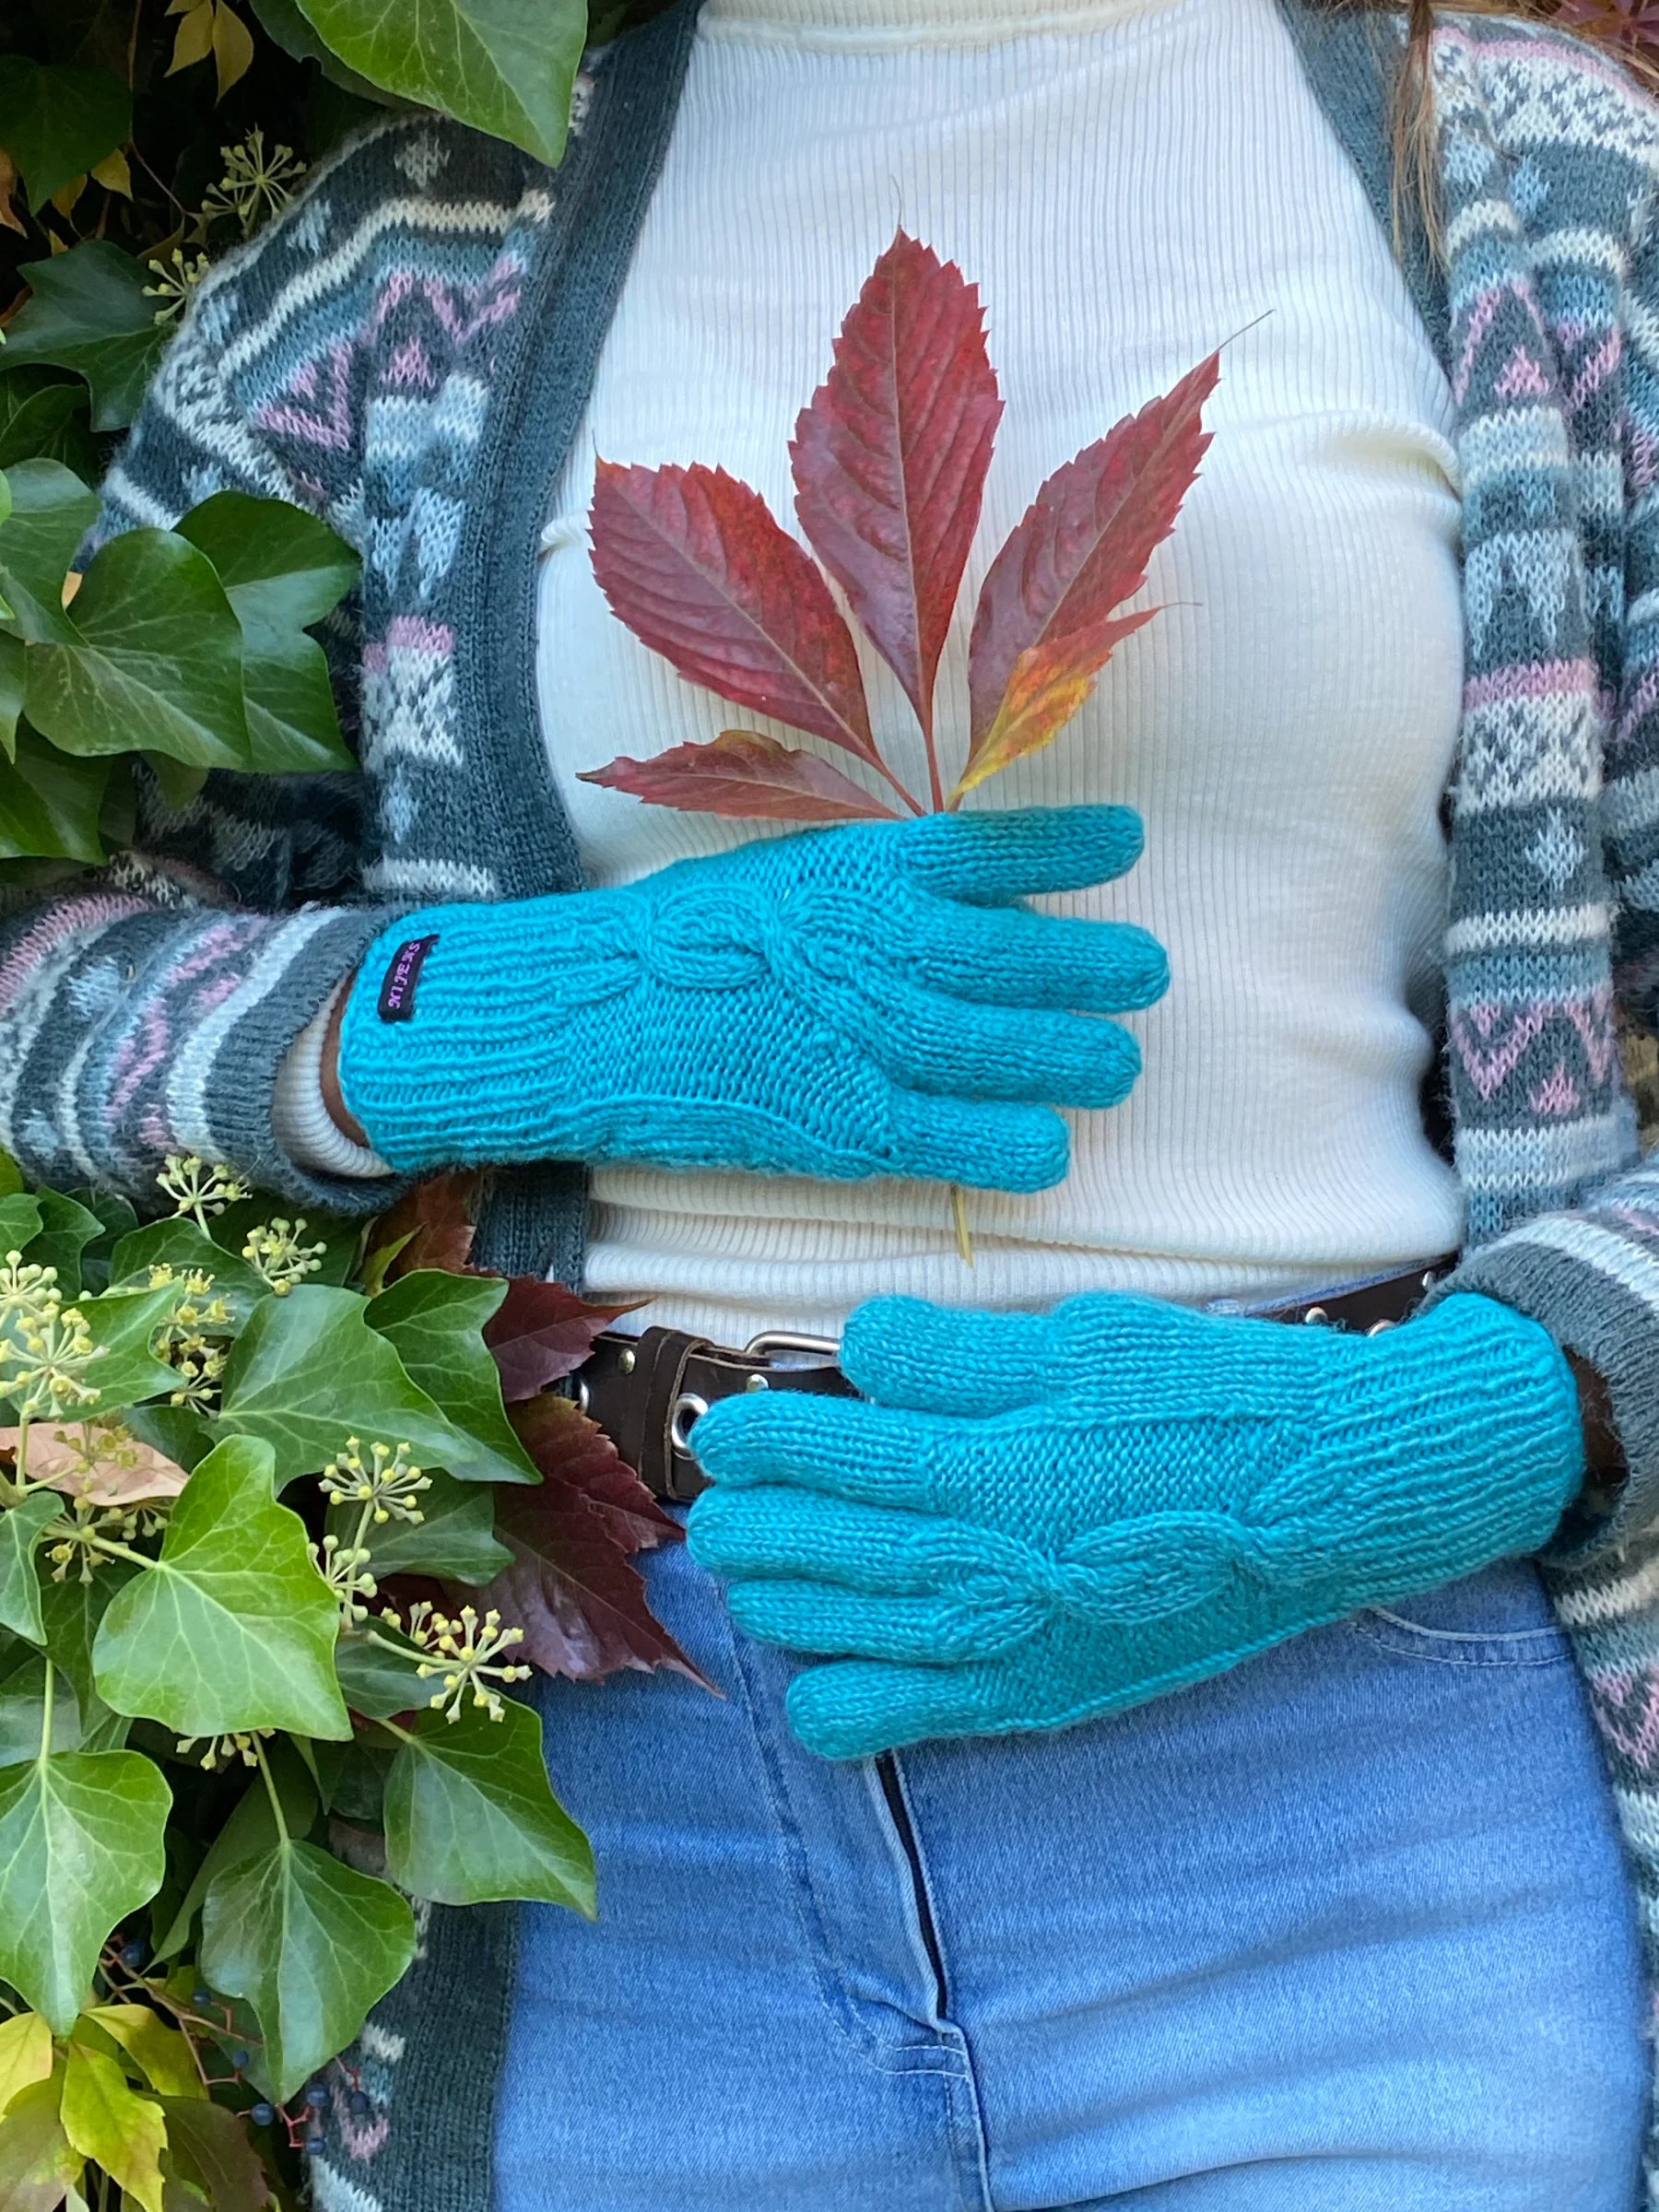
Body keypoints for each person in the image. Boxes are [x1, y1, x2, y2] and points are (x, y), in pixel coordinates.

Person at [12, 0, 1659, 2201]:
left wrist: (1462, 1426)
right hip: (615, 1824)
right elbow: (49, 944)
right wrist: (474, 1013)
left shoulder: (1550, 191)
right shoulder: (415, 230)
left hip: (1361, 1820)